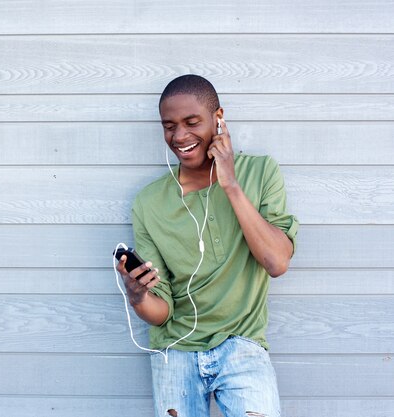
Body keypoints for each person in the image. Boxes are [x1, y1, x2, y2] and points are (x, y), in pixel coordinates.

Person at [116, 74, 299, 417]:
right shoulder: (149, 203)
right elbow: (162, 313)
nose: (180, 136)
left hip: (242, 344)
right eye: (169, 126)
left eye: (191, 122)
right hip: (176, 349)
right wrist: (137, 296)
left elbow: (276, 262)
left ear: (219, 119)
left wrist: (230, 183)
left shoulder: (260, 172)